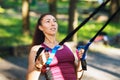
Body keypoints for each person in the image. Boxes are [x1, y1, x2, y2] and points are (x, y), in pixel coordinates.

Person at [26, 13, 84, 80]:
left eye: (54, 21)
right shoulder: (37, 49)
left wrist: (81, 61)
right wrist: (39, 65)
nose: (53, 24)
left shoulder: (66, 46)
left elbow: (78, 77)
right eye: (48, 21)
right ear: (40, 27)